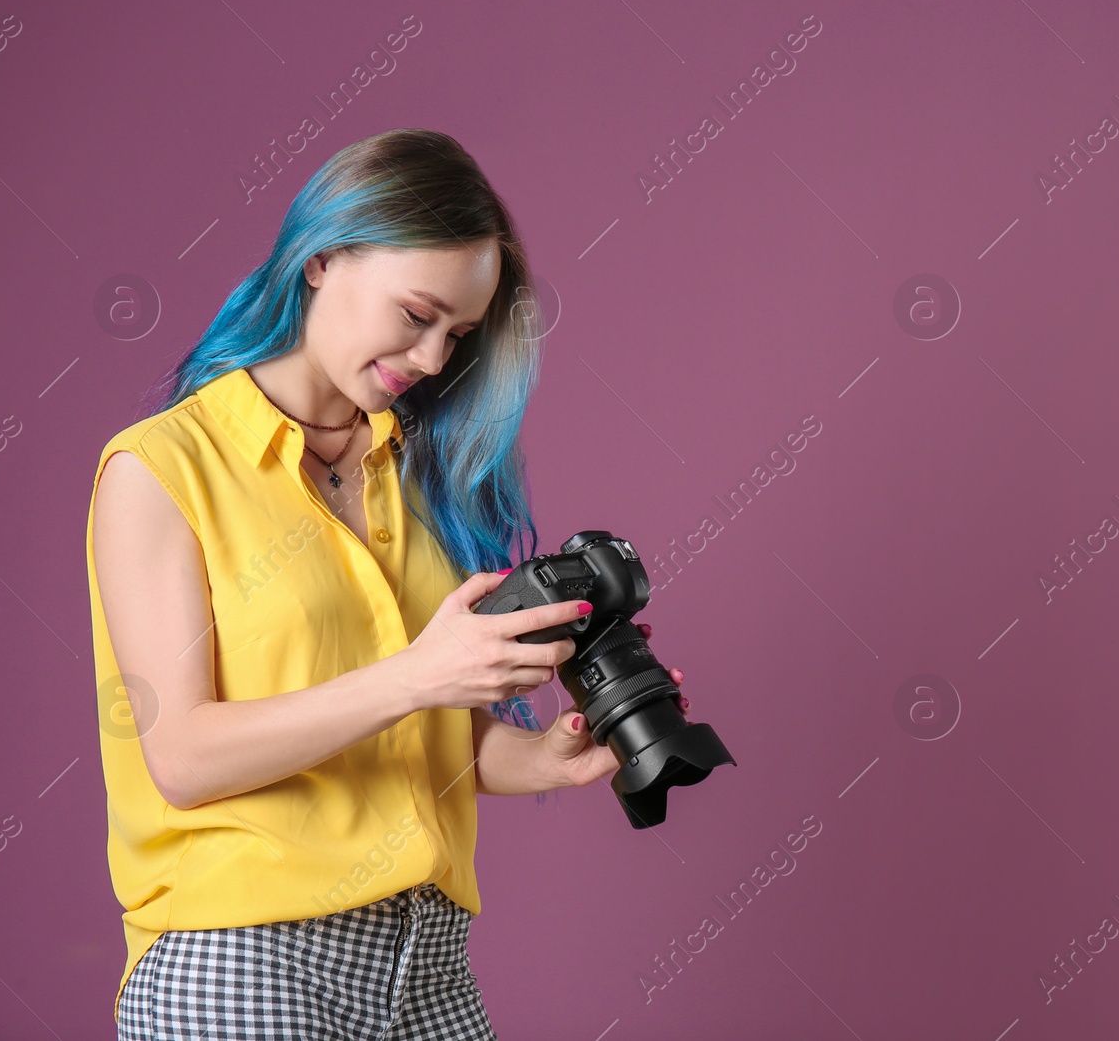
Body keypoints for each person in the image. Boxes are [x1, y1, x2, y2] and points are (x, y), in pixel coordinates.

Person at [85, 128, 691, 1039]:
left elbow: (423, 734)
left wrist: (544, 760)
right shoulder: (162, 471)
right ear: (323, 258)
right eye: (417, 315)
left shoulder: (418, 477)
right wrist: (422, 673)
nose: (436, 358)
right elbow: (183, 757)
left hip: (429, 959)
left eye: (458, 333)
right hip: (244, 958)